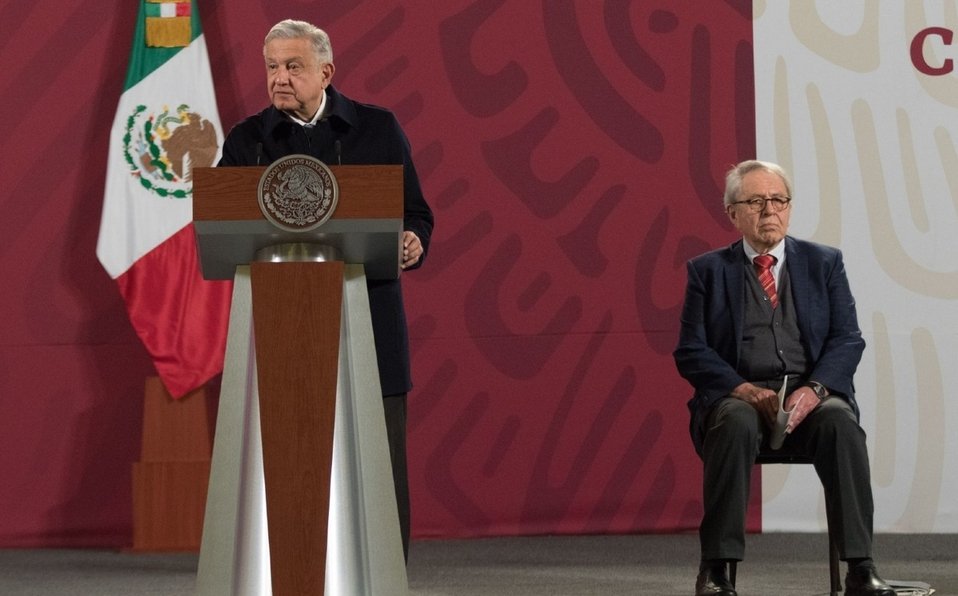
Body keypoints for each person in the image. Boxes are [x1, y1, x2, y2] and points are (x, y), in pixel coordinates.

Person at [218, 19, 434, 562]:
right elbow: (221, 223)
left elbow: (416, 213)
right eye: (272, 67)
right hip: (283, 328)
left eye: (293, 67)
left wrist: (413, 240)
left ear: (326, 72)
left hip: (369, 323)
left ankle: (383, 576)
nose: (280, 78)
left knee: (379, 466)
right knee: (289, 468)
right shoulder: (247, 140)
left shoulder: (377, 129)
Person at [673, 160, 894, 596]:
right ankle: (716, 570)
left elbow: (847, 339)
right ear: (733, 213)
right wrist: (743, 389)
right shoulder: (707, 271)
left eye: (778, 200)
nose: (769, 210)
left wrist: (815, 390)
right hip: (738, 396)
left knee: (840, 423)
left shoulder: (824, 262)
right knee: (734, 421)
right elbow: (691, 351)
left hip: (810, 396)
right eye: (756, 201)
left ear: (789, 208)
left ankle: (860, 568)